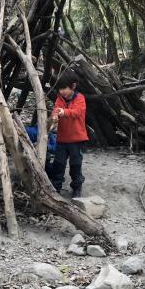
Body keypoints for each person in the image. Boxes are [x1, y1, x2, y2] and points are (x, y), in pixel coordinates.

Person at [49, 70, 88, 198]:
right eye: (60, 89)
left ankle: (77, 188)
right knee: (58, 164)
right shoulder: (59, 99)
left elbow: (77, 112)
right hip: (61, 139)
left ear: (73, 86)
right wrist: (54, 116)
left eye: (64, 88)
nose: (61, 91)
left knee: (75, 165)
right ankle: (56, 188)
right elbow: (55, 110)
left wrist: (63, 112)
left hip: (77, 139)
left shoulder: (80, 98)